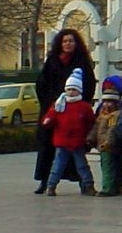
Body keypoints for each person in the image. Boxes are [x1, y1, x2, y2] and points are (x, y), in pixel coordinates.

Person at [33, 29, 97, 194]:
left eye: (71, 41)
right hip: (53, 109)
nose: (68, 44)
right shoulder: (52, 60)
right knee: (48, 148)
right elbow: (41, 84)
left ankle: (83, 183)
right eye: (65, 41)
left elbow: (89, 84)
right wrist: (52, 102)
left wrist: (81, 103)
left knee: (76, 151)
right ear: (60, 43)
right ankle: (45, 181)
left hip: (74, 112)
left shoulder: (82, 61)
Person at [41, 68, 97, 196]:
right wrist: (47, 121)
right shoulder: (59, 104)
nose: (71, 92)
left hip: (78, 142)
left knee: (82, 166)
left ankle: (88, 186)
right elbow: (50, 117)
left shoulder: (84, 107)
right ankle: (51, 186)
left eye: (74, 89)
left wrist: (89, 138)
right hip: (62, 141)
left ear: (79, 90)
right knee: (57, 166)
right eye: (69, 89)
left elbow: (91, 123)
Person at [87, 80, 122, 196]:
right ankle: (116, 186)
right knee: (109, 166)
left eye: (110, 102)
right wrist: (90, 138)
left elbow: (112, 130)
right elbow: (95, 128)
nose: (106, 104)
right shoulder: (102, 115)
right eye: (105, 102)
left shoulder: (115, 115)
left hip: (109, 146)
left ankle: (108, 188)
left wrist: (107, 143)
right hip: (103, 145)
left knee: (110, 167)